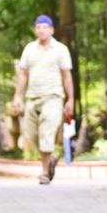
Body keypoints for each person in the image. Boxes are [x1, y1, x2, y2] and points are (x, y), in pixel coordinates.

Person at [11, 15, 75, 184]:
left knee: (46, 132)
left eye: (44, 27)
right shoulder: (29, 49)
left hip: (53, 97)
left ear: (51, 30)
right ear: (35, 30)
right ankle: (53, 156)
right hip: (32, 97)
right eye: (38, 27)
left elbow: (67, 76)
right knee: (30, 137)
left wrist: (71, 100)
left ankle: (45, 172)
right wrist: (18, 96)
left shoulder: (60, 49)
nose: (41, 30)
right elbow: (23, 75)